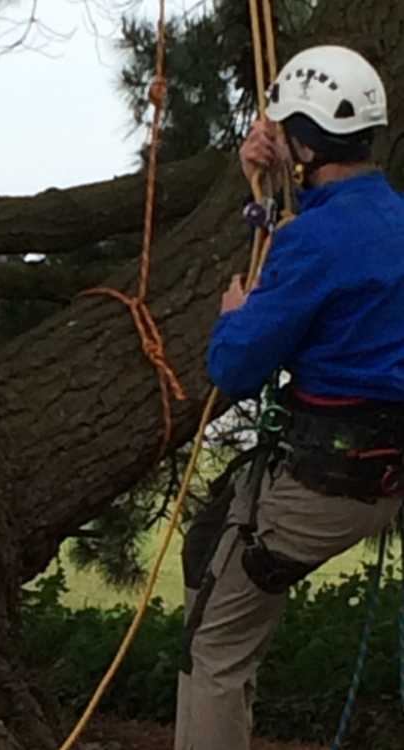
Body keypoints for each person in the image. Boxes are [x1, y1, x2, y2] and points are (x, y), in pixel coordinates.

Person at [174, 45, 404, 750]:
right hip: (379, 469)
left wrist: (237, 312)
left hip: (326, 478)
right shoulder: (386, 220)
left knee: (213, 648)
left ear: (303, 141)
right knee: (208, 544)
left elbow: (235, 368)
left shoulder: (314, 242)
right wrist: (272, 197)